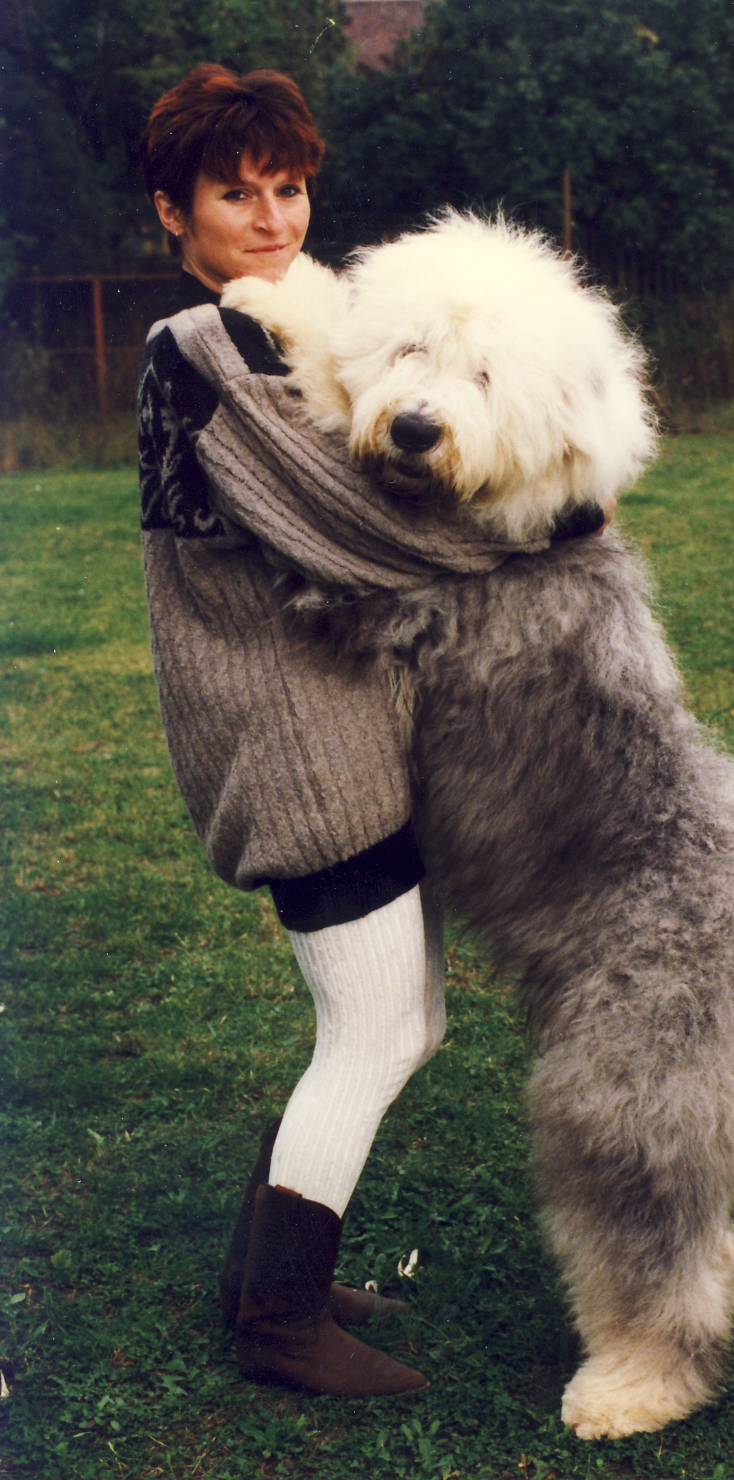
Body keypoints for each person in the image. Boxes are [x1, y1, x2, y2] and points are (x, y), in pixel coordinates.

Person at [137, 64, 605, 1401]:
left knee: (401, 1020)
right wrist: (553, 520)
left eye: (288, 190)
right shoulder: (208, 346)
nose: (272, 219)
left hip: (332, 725)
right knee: (379, 1032)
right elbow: (359, 524)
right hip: (295, 744)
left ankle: (264, 1276)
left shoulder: (280, 325)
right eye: (236, 194)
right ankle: (280, 1326)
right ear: (174, 212)